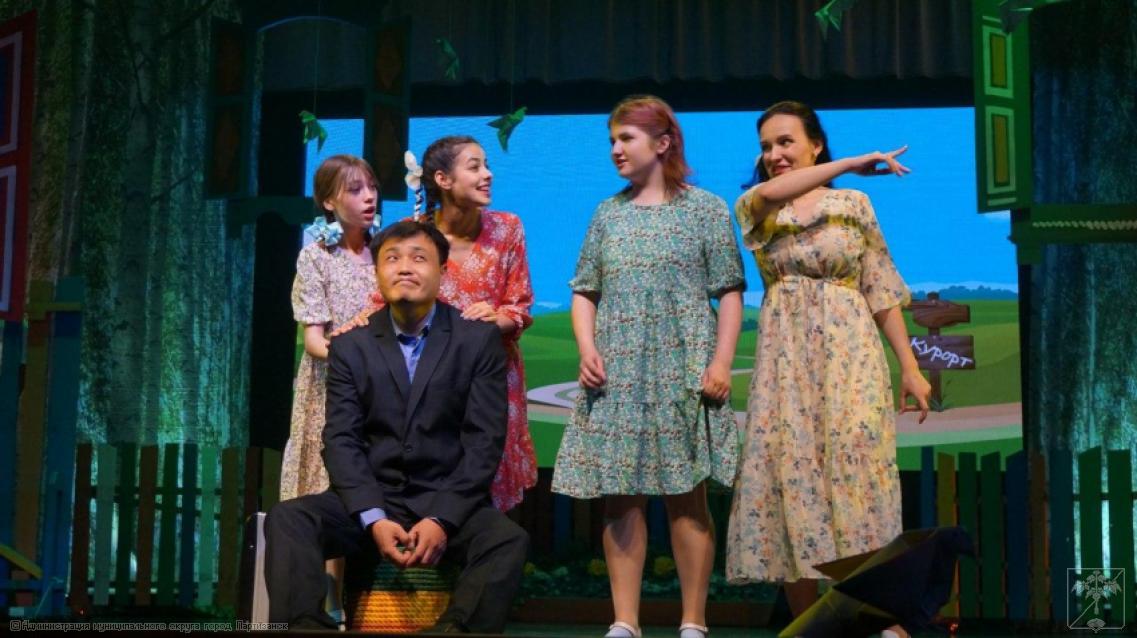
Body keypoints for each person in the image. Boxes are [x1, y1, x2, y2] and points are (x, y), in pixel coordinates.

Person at [724, 101, 932, 635]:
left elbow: (880, 287)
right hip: (786, 362)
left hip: (851, 354)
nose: (774, 154)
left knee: (861, 475)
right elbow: (772, 192)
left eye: (786, 141)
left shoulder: (853, 204)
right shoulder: (756, 205)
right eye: (766, 146)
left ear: (815, 144)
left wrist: (910, 367)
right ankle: (810, 627)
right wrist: (852, 161)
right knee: (791, 478)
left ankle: (880, 620)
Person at [264, 220, 529, 633]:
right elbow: (341, 439)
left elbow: (484, 442)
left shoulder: (477, 341)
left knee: (507, 540)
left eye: (419, 258)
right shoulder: (350, 346)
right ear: (377, 272)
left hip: (444, 496)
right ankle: (306, 628)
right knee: (288, 519)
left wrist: (442, 518)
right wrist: (373, 517)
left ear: (443, 271)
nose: (404, 267)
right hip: (373, 497)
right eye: (392, 259)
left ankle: (455, 632)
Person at [552, 95, 745, 638]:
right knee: (621, 497)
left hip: (683, 368)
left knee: (688, 496)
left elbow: (730, 291)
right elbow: (584, 290)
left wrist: (721, 362)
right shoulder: (607, 214)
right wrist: (586, 348)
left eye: (626, 138)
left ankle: (693, 622)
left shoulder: (705, 209)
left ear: (662, 143)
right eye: (612, 140)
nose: (615, 149)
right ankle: (625, 621)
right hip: (620, 371)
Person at [338, 135, 537, 512]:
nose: (488, 174)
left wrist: (495, 320)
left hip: (489, 375)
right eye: (475, 167)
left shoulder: (507, 228)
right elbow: (382, 301)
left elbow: (520, 306)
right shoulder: (412, 233)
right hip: (427, 379)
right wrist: (358, 325)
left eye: (487, 165)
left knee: (487, 472)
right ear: (443, 180)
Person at [278, 154, 381, 626]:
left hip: (380, 389)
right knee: (324, 485)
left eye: (371, 187)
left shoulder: (387, 249)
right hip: (332, 386)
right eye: (355, 190)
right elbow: (314, 340)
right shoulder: (317, 254)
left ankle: (359, 597)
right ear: (328, 202)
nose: (369, 197)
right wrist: (356, 360)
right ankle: (325, 600)